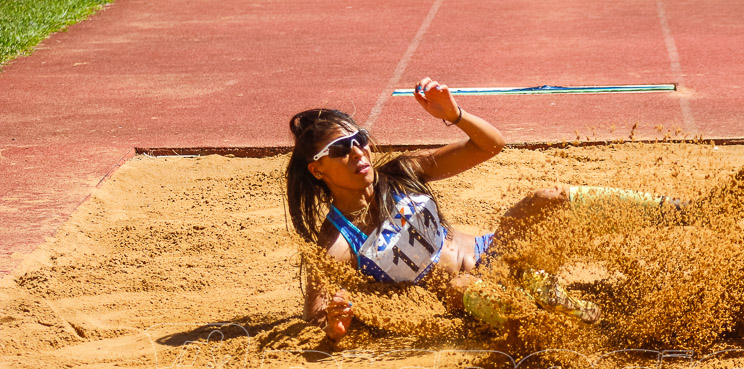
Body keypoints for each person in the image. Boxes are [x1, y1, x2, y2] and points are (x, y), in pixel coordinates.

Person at [286, 76, 682, 343]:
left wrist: (454, 115)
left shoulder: (401, 173)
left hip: (496, 250)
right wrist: (336, 324)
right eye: (341, 148)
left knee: (545, 199)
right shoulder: (336, 242)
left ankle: (678, 213)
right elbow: (315, 317)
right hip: (467, 296)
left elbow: (490, 145)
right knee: (467, 287)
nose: (359, 152)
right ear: (317, 168)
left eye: (361, 139)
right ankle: (582, 332)